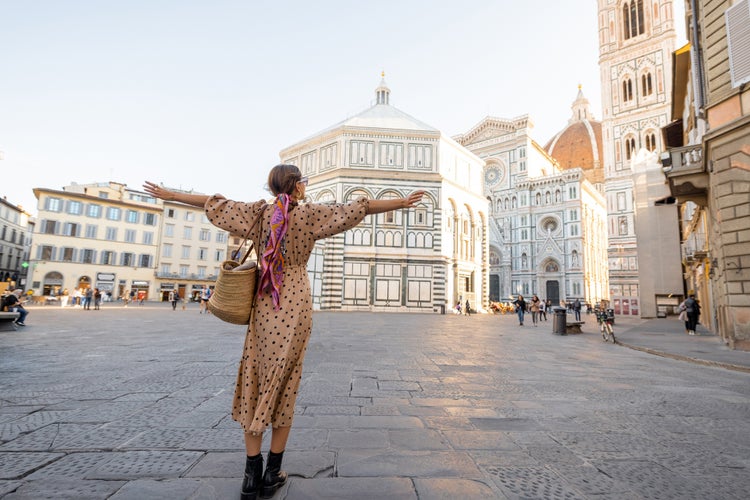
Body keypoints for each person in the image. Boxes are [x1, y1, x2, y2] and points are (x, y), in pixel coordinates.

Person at [144, 165, 424, 500]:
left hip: (264, 300)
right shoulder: (310, 216)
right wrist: (402, 202)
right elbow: (358, 207)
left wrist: (171, 194)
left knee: (257, 376)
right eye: (304, 181)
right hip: (295, 299)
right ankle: (273, 472)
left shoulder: (257, 213)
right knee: (286, 381)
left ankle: (251, 475)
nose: (307, 186)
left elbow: (213, 203)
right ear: (296, 186)